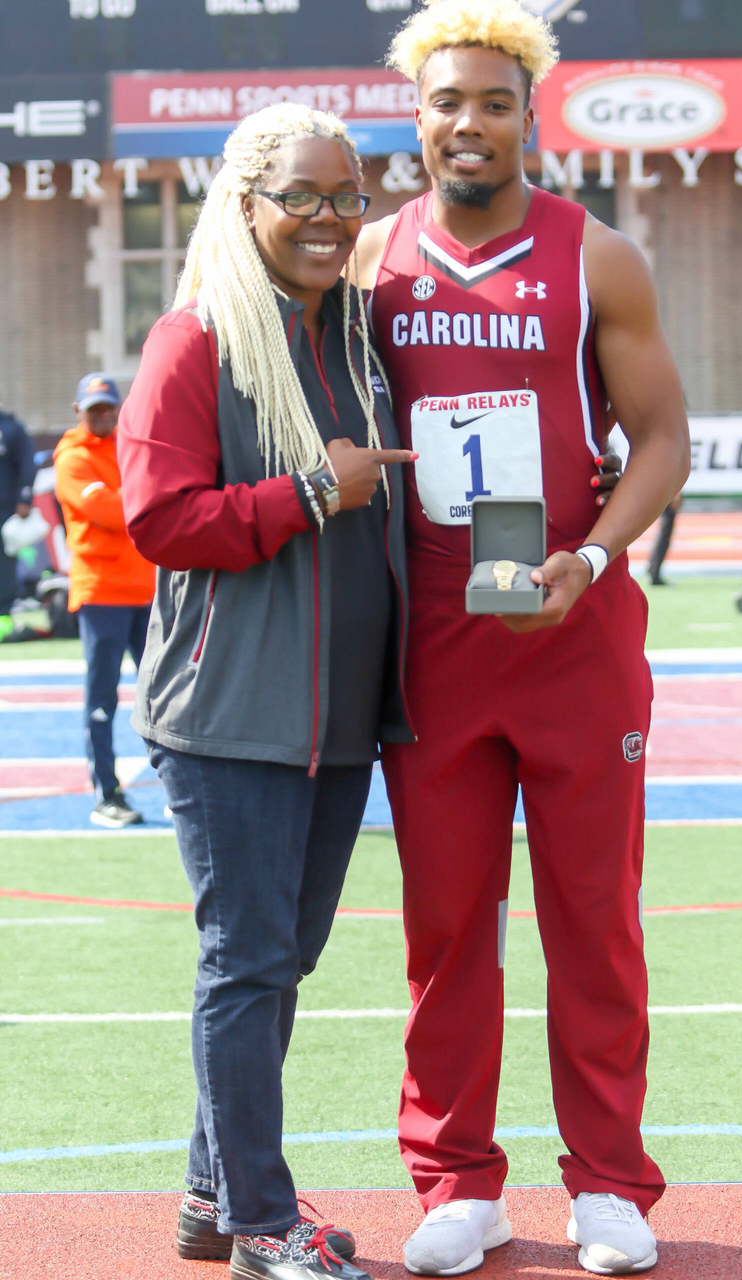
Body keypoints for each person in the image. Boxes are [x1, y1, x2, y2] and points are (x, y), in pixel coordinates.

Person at [355, 1, 691, 1274]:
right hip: (434, 635)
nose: (469, 121)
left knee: (591, 915)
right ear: (417, 114)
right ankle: (456, 1180)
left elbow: (660, 434)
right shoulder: (375, 259)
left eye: (493, 100)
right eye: (447, 101)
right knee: (444, 925)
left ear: (527, 115)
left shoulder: (595, 255)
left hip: (570, 623)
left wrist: (593, 553)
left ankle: (609, 1182)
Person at [116, 104, 417, 1280]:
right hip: (229, 716)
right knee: (246, 960)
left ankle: (209, 1193)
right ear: (246, 203)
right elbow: (158, 519)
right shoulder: (193, 339)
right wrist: (305, 493)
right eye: (301, 195)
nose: (328, 219)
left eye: (346, 195)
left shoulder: (355, 336)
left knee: (277, 959)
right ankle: (259, 1219)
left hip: (338, 717)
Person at [53, 375, 155, 827]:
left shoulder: (126, 444)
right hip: (101, 593)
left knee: (166, 696)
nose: (103, 415)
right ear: (79, 411)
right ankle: (106, 795)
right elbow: (114, 513)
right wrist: (145, 497)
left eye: (108, 407)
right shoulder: (72, 459)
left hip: (146, 588)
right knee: (102, 699)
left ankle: (180, 786)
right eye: (94, 409)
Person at [0, 404, 36, 641]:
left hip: (5, 511)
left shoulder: (10, 428)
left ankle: (3, 620)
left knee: (4, 566)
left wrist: (24, 497)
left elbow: (27, 463)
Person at [647, 494, 681, 586]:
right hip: (667, 491)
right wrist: (675, 494)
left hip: (663, 490)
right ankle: (654, 571)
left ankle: (653, 569)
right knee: (665, 532)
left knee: (664, 532)